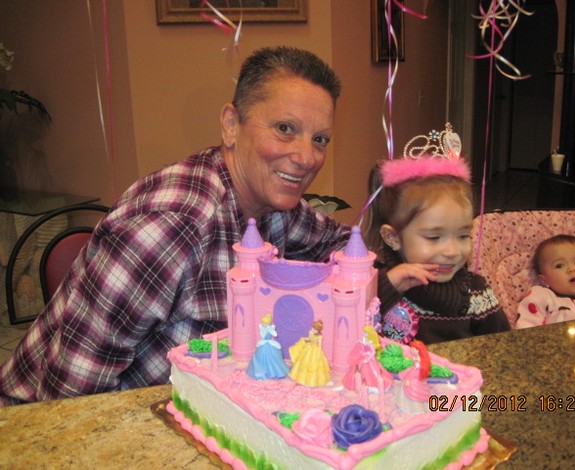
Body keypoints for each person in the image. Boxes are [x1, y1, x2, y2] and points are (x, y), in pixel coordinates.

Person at [0, 46, 352, 406]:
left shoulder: (275, 206)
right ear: (231, 125)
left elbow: (342, 244)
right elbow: (68, 400)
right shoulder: (170, 228)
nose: (306, 158)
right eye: (284, 129)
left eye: (319, 139)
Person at [364, 136, 510, 345]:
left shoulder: (477, 293)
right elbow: (347, 329)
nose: (452, 251)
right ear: (392, 238)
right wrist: (388, 285)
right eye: (434, 237)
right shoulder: (375, 285)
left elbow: (504, 348)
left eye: (463, 235)